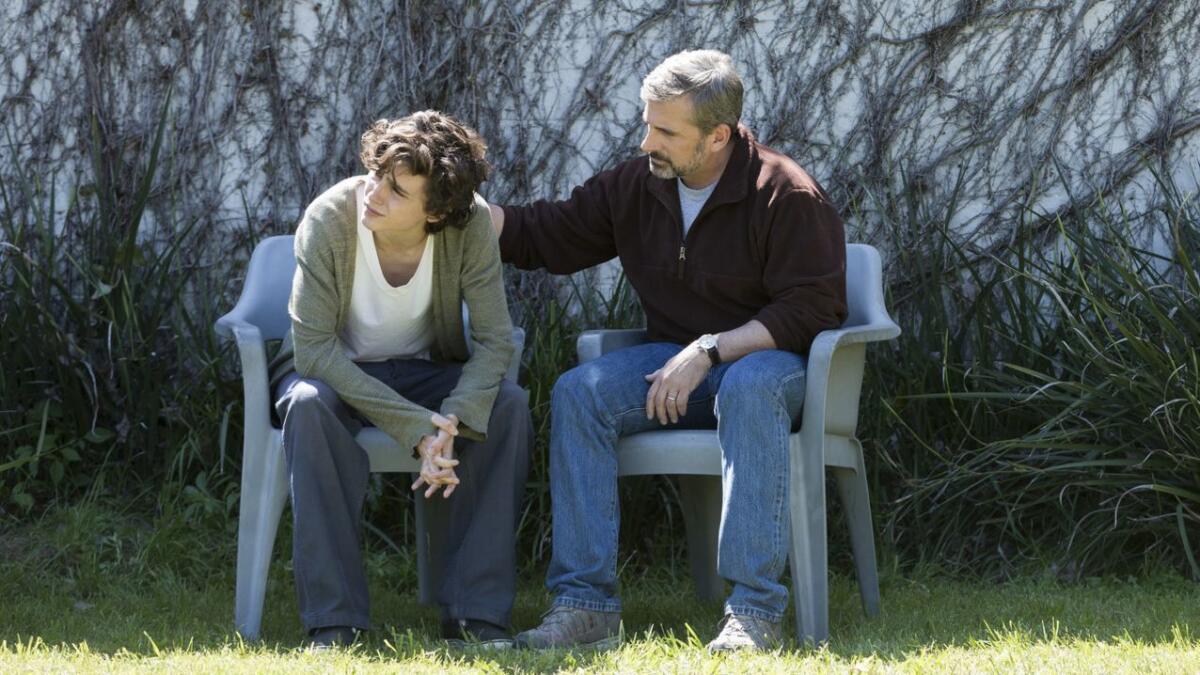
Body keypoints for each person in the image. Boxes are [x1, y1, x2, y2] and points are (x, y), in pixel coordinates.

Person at [490, 50, 847, 652]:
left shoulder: (785, 194)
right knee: (580, 393)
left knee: (750, 383)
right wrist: (466, 213)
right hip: (675, 366)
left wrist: (709, 349)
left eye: (664, 130)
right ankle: (586, 608)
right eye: (647, 122)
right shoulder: (639, 185)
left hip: (774, 369)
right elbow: (550, 234)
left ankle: (754, 612)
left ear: (717, 137)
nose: (646, 140)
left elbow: (812, 310)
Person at [269, 111, 531, 648]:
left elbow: (495, 340)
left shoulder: (471, 224)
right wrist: (416, 427)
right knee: (307, 407)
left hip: (424, 373)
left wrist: (452, 418)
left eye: (395, 190)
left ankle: (474, 616)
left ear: (435, 212)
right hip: (332, 375)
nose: (373, 194)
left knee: (506, 406)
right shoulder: (329, 218)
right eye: (374, 175)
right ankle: (334, 623)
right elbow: (314, 350)